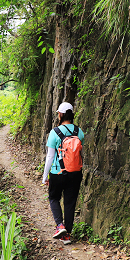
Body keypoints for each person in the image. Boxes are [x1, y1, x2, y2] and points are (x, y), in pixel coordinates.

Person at [41, 101, 85, 244]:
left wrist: (45, 176)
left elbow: (50, 156)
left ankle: (60, 225)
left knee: (54, 198)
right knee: (70, 203)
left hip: (57, 172)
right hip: (75, 172)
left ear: (60, 114)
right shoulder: (79, 132)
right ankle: (67, 235)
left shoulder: (54, 132)